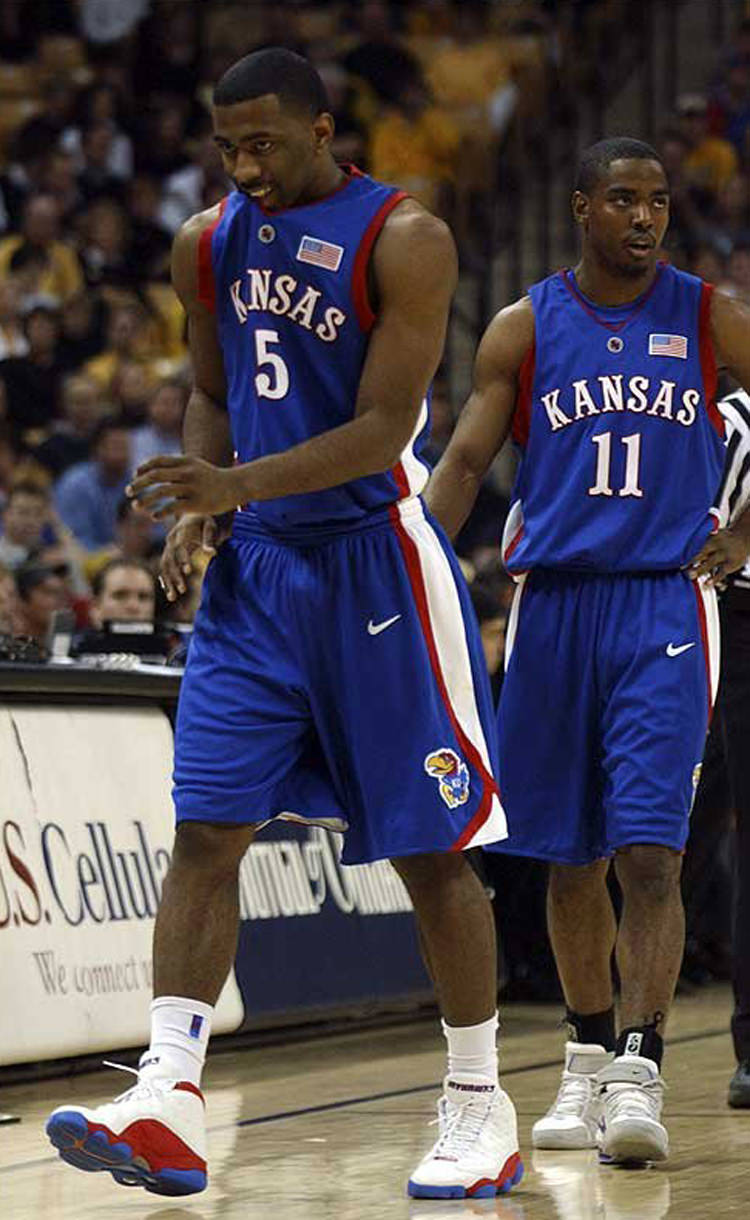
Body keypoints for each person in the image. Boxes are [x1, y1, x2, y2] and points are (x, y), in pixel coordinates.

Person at [44, 48, 521, 1202]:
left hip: (376, 567)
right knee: (207, 829)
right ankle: (168, 1091)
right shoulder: (206, 240)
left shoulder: (405, 236)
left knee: (430, 849)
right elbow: (212, 389)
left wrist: (230, 488)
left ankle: (478, 1100)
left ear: (321, 127)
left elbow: (384, 426)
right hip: (258, 570)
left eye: (264, 143)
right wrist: (204, 511)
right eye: (226, 147)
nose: (244, 165)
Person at [425, 137, 750, 1165]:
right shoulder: (525, 325)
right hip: (553, 605)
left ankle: (641, 1066)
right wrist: (415, 561)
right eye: (623, 200)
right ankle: (584, 1051)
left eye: (657, 201)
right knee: (571, 855)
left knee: (653, 849)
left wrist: (744, 534)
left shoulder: (709, 313)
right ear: (581, 209)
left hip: (662, 600)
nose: (645, 218)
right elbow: (468, 457)